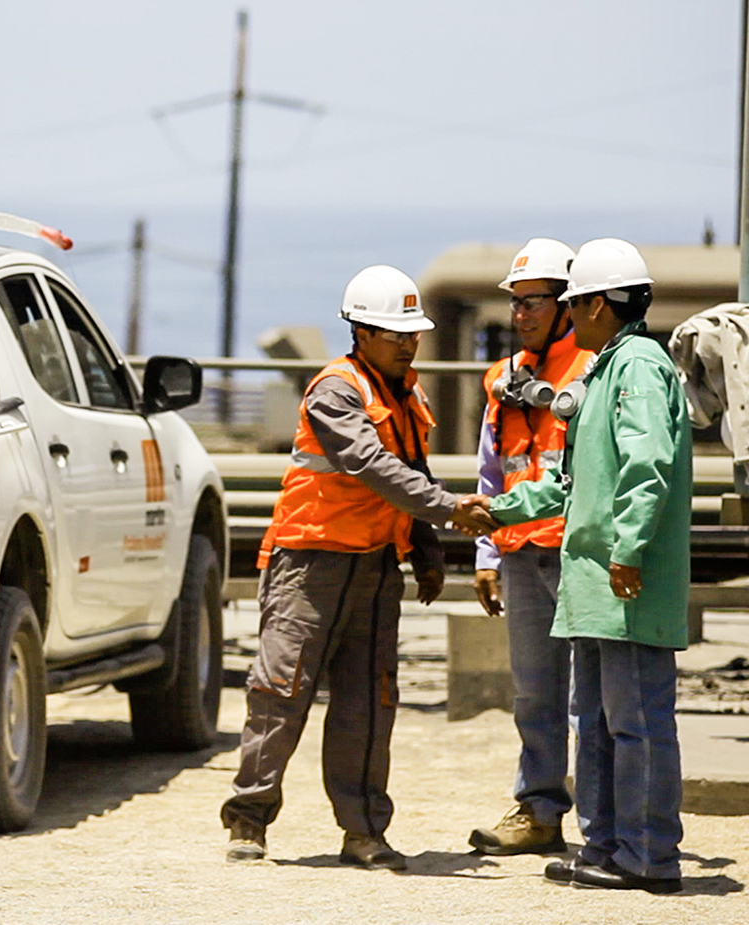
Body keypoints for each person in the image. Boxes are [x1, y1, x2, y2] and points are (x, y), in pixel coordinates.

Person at [221, 265, 497, 868]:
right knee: (281, 691)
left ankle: (365, 830)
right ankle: (249, 818)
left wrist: (425, 551)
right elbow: (370, 464)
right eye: (393, 332)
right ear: (360, 332)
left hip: (373, 568)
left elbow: (414, 472)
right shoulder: (336, 390)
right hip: (310, 563)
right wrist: (452, 511)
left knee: (369, 702)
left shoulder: (409, 394)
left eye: (412, 332)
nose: (407, 342)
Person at [478, 238, 691, 894]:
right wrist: (498, 513)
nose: (571, 315)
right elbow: (570, 485)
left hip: (623, 577)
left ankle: (648, 853)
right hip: (593, 583)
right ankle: (605, 845)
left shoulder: (641, 368)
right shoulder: (603, 373)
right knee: (598, 720)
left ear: (599, 303)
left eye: (574, 303)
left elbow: (648, 463)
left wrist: (628, 548)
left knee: (636, 719)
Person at [468, 239, 592, 857]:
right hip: (519, 554)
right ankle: (539, 813)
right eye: (515, 303)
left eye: (534, 301)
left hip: (579, 554)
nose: (521, 314)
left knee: (590, 695)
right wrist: (487, 556)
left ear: (567, 302)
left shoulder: (596, 366)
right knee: (535, 694)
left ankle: (603, 825)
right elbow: (493, 471)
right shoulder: (504, 377)